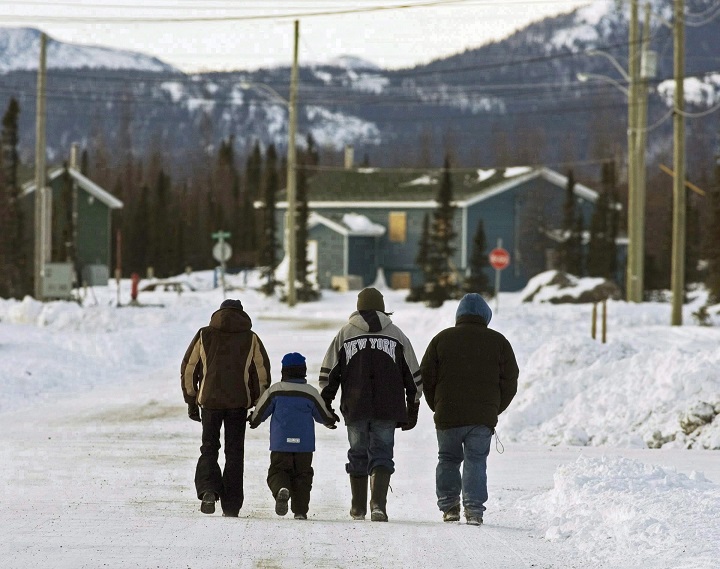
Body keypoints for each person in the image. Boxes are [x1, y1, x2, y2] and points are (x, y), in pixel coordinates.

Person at [319, 287, 422, 522]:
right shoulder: (397, 335)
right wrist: (412, 407)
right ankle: (378, 505)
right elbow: (413, 375)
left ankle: (357, 507)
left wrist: (326, 404)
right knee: (383, 453)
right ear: (383, 308)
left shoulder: (345, 334)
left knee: (358, 453)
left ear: (358, 307)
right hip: (388, 407)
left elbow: (329, 373)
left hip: (355, 407)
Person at [420, 293, 518, 526]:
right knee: (476, 460)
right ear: (485, 315)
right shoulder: (499, 342)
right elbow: (510, 381)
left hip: (448, 414)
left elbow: (426, 376)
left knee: (447, 459)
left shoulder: (441, 339)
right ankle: (474, 510)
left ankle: (449, 506)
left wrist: (437, 405)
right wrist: (494, 408)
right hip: (481, 417)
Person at [180, 298, 271, 517]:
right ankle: (231, 506)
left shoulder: (204, 335)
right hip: (238, 403)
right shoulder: (251, 338)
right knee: (235, 453)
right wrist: (258, 403)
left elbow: (189, 369)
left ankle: (209, 489)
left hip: (210, 401)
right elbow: (261, 374)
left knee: (209, 447)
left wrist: (191, 399)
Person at [249, 352, 337, 520]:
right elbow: (323, 415)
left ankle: (282, 488)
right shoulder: (310, 392)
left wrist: (254, 420)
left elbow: (260, 412)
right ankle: (300, 511)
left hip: (281, 444)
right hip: (304, 446)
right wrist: (331, 421)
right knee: (303, 476)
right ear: (303, 371)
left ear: (284, 371)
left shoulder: (275, 390)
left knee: (277, 471)